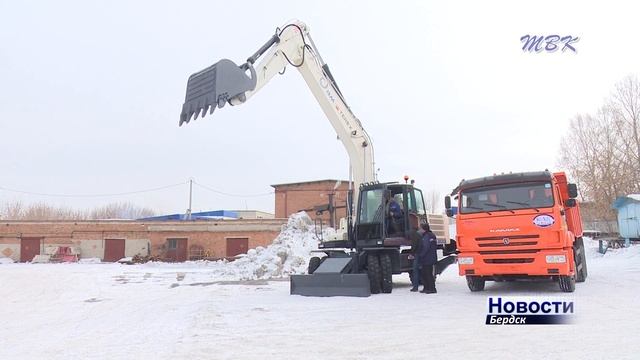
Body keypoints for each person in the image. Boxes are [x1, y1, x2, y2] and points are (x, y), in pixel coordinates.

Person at [417, 222, 438, 294]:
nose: (419, 230)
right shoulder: (430, 235)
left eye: (420, 228)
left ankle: (431, 288)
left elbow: (425, 247)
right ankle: (427, 288)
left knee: (427, 274)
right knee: (425, 273)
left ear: (424, 229)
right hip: (430, 257)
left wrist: (420, 255)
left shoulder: (427, 236)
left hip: (427, 258)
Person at [409, 219, 425, 292]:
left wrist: (412, 253)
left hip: (417, 254)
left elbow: (414, 245)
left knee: (415, 271)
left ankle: (415, 287)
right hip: (423, 254)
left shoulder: (416, 234)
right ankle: (426, 285)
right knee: (423, 270)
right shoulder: (425, 234)